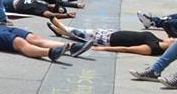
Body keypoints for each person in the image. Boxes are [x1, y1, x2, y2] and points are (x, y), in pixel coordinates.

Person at [47, 17, 175, 55]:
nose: (174, 38)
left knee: (79, 32)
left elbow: (127, 49)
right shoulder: (159, 40)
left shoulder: (154, 48)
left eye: (174, 40)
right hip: (111, 33)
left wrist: (104, 49)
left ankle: (60, 26)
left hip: (108, 40)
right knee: (82, 34)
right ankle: (61, 31)